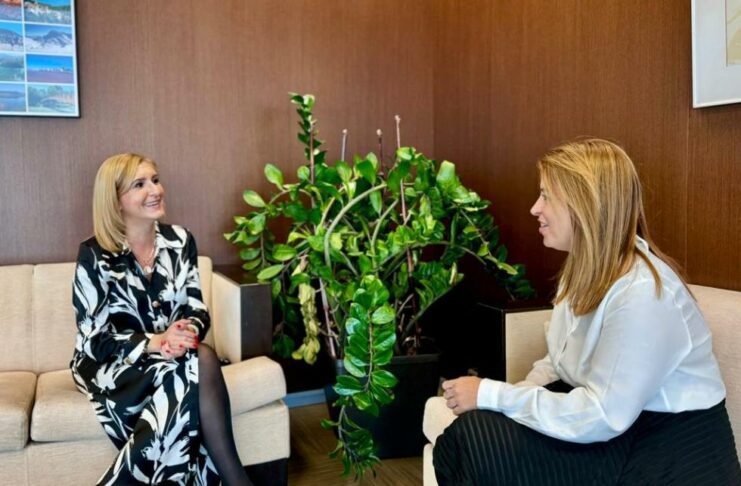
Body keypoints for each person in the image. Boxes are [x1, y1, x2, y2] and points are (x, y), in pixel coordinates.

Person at [434, 139, 741, 485]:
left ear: (585, 205)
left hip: (670, 451)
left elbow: (603, 415)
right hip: (619, 429)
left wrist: (493, 394)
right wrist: (511, 401)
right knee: (466, 439)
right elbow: (559, 358)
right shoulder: (582, 269)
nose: (535, 208)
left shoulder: (643, 294)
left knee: (475, 440)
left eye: (546, 196)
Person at [70, 153, 252, 485]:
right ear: (115, 199)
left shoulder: (180, 241)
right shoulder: (94, 255)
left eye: (155, 180)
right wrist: (156, 342)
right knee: (197, 366)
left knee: (196, 360)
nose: (155, 190)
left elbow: (197, 310)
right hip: (113, 363)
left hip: (173, 353)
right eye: (139, 184)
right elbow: (94, 340)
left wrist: (184, 332)